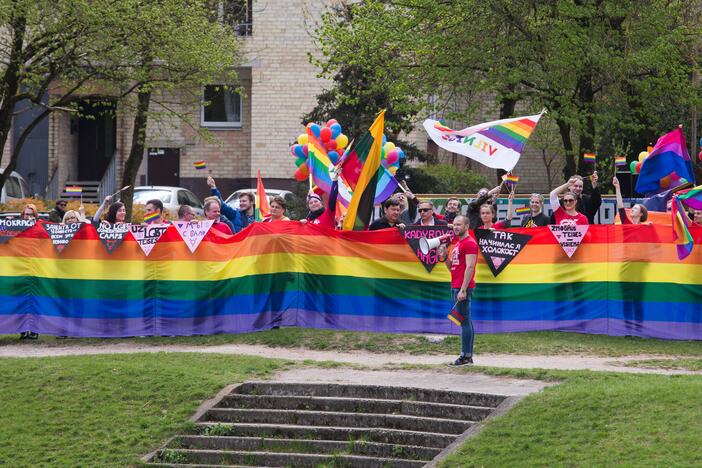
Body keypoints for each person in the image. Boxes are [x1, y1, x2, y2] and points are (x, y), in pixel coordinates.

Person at [438, 215, 478, 367]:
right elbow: (452, 268)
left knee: (465, 321)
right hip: (455, 285)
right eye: (454, 224)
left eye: (459, 224)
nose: (455, 227)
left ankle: (466, 356)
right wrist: (444, 256)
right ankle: (466, 356)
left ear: (466, 226)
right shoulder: (458, 244)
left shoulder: (470, 243)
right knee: (464, 321)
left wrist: (463, 289)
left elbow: (470, 267)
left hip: (462, 287)